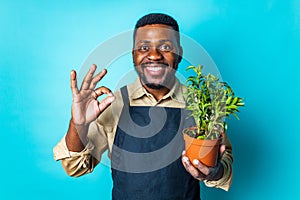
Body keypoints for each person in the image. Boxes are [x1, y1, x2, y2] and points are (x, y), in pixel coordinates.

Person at [53, 13, 233, 199]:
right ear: (133, 54)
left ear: (179, 53)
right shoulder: (113, 103)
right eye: (144, 47)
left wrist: (215, 172)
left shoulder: (201, 104)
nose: (154, 55)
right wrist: (78, 124)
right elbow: (74, 167)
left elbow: (224, 166)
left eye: (165, 47)